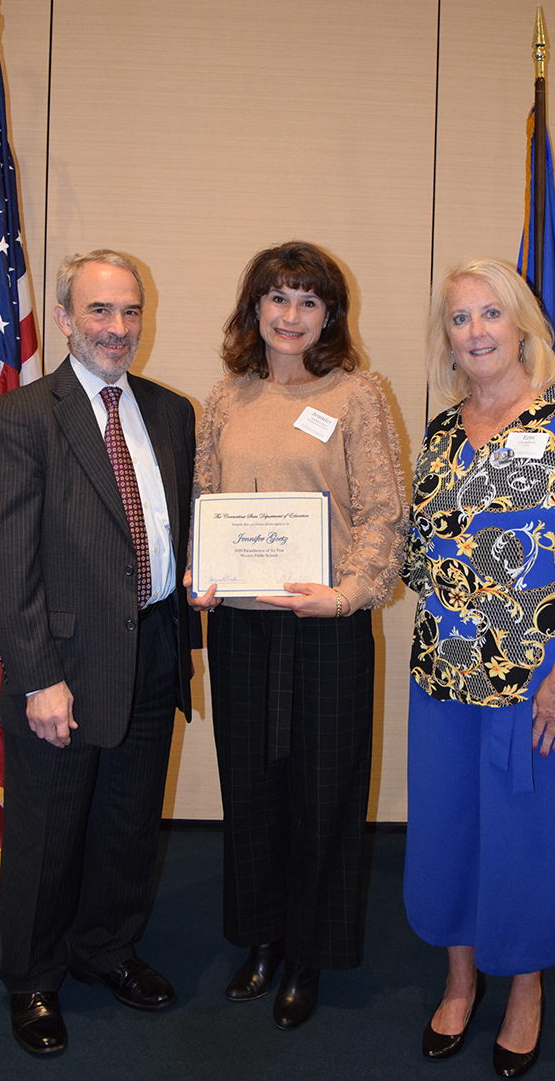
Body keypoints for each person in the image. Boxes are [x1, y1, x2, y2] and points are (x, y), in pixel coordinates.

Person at [402, 258, 555, 1078]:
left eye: (490, 313)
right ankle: (459, 979)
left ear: (522, 326)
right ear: (446, 337)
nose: (476, 330)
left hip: (545, 681)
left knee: (530, 838)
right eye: (459, 318)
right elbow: (417, 553)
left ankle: (525, 988)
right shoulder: (443, 432)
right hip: (444, 673)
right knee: (448, 830)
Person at [0, 249, 200, 1057]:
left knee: (128, 822)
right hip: (62, 669)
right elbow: (7, 562)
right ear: (66, 319)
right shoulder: (24, 417)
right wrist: (38, 678)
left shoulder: (171, 412)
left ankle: (107, 948)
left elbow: (176, 528)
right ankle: (32, 977)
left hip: (155, 649)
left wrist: (204, 577)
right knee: (48, 833)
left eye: (130, 310)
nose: (118, 327)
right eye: (100, 310)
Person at [187, 241, 407, 1029]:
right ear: (254, 308)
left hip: (326, 629)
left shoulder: (358, 394)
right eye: (277, 298)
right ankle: (261, 939)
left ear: (329, 315)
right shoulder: (226, 398)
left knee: (324, 793)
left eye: (308, 300)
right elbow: (204, 500)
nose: (290, 315)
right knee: (250, 791)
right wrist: (200, 572)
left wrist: (349, 595)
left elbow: (384, 512)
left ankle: (309, 954)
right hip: (242, 631)